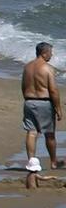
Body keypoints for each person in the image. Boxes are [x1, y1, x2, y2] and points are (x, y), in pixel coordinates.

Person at [24, 41, 62, 172]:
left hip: (28, 101)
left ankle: (31, 161)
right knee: (49, 134)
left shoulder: (27, 67)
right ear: (44, 53)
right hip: (44, 102)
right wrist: (58, 108)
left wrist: (27, 99)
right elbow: (53, 90)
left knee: (31, 132)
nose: (51, 55)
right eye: (50, 53)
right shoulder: (47, 68)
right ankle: (53, 162)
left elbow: (24, 86)